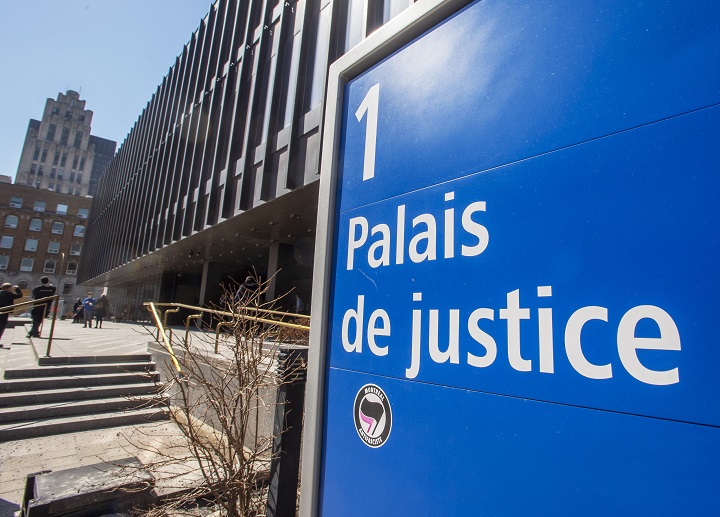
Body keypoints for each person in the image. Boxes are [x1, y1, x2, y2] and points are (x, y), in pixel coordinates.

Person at [0, 283, 23, 347]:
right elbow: (19, 295)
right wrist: (17, 289)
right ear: (8, 288)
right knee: (1, 327)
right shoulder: (9, 294)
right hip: (5, 312)